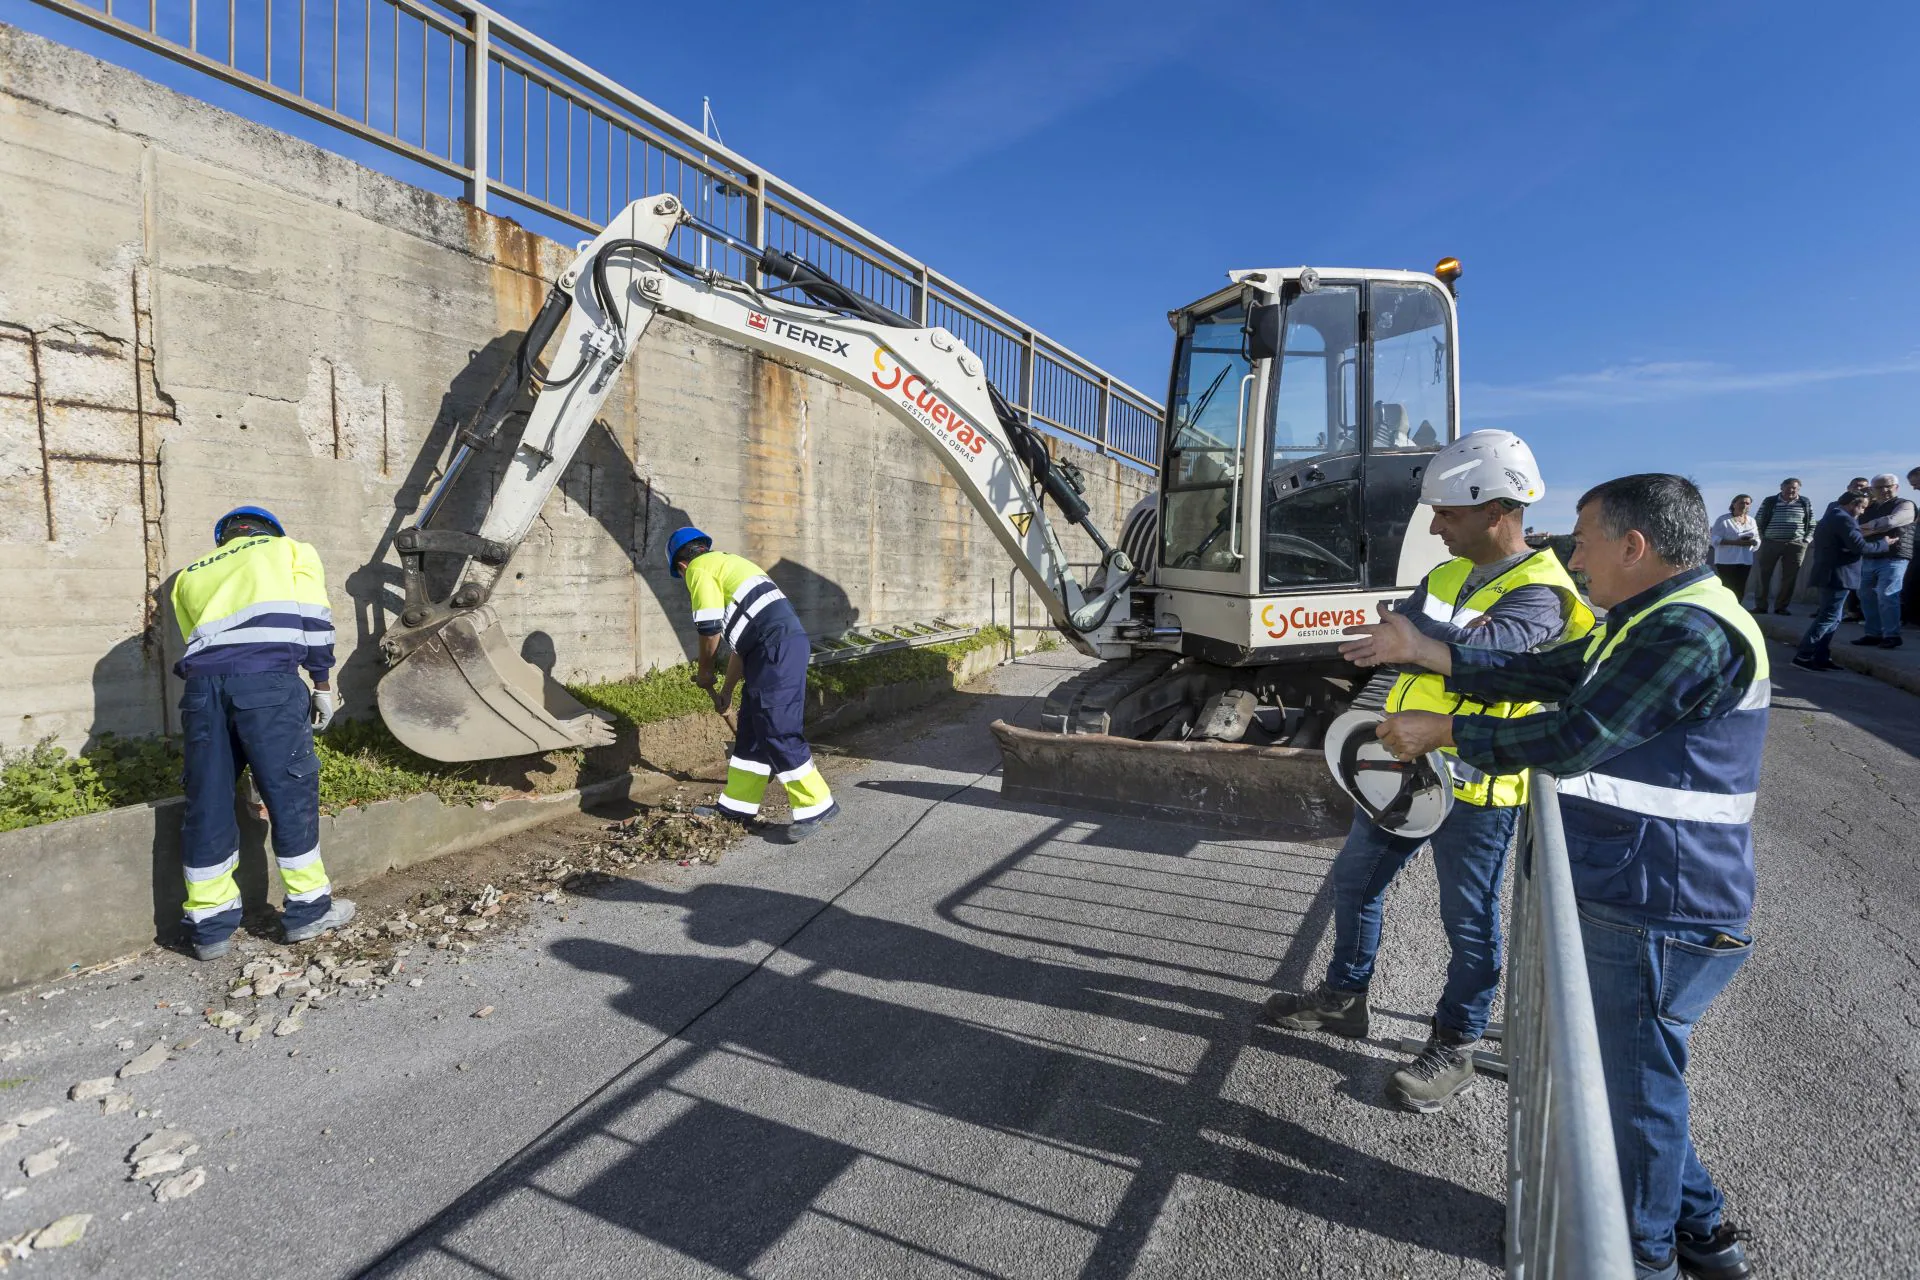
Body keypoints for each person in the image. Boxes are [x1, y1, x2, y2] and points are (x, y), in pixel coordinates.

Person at [1343, 473, 1762, 1280]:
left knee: (1628, 1100)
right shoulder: (1645, 620)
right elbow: (1547, 677)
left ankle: (1640, 1259)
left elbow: (1577, 737)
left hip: (1657, 897)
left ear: (1635, 546)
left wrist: (1446, 730)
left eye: (1586, 540)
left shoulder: (1686, 633)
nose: (1572, 554)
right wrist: (1452, 679)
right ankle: (1704, 1232)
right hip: (1641, 883)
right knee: (1635, 1085)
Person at [1263, 430, 1593, 1112]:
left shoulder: (1543, 592)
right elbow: (1397, 643)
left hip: (1476, 787)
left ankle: (1456, 1042)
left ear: (1497, 512)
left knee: (1467, 922)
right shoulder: (1444, 576)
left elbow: (1499, 672)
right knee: (1354, 883)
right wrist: (1384, 668)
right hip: (1402, 769)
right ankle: (1344, 998)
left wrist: (1416, 644)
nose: (1435, 526)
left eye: (1448, 513)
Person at [167, 506, 353, 961]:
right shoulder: (290, 551)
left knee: (207, 800)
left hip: (203, 691)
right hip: (267, 683)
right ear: (267, 530)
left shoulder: (188, 576)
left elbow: (197, 638)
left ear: (224, 539)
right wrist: (322, 684)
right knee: (289, 793)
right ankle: (308, 911)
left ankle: (209, 928)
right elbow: (314, 619)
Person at [668, 527, 839, 839]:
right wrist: (727, 691)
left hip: (775, 649)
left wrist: (705, 671)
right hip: (769, 648)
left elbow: (708, 628)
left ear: (682, 567)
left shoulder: (699, 570)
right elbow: (740, 649)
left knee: (776, 726)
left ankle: (818, 804)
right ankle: (737, 807)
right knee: (751, 731)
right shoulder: (730, 567)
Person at [1794, 492, 1889, 671]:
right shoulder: (1844, 519)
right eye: (1861, 507)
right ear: (1852, 504)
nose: (1861, 512)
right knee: (1828, 617)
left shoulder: (1830, 517)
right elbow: (1859, 546)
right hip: (1838, 574)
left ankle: (1820, 656)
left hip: (1830, 573)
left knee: (1833, 618)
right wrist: (1883, 544)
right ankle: (1804, 655)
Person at [1856, 473, 1914, 648]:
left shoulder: (1905, 505)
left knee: (1887, 595)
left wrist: (1862, 529)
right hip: (1869, 555)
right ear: (1873, 490)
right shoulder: (1870, 507)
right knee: (1865, 595)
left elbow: (1890, 523)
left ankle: (1892, 635)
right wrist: (1868, 529)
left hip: (1894, 556)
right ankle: (1872, 633)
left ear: (1896, 487)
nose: (1884, 490)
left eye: (1888, 486)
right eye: (1879, 487)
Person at [1750, 478, 1813, 615]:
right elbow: (1758, 520)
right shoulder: (1770, 501)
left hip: (1796, 544)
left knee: (1790, 578)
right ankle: (1761, 606)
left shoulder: (1804, 502)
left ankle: (1781, 607)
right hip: (1770, 542)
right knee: (1763, 575)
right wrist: (1761, 538)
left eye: (1794, 488)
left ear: (1798, 489)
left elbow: (1812, 524)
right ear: (1781, 488)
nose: (1791, 490)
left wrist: (1806, 540)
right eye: (1788, 488)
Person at [1709, 495, 1759, 601]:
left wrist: (1753, 542)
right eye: (1741, 502)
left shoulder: (1751, 521)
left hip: (1745, 560)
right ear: (1734, 504)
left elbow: (1757, 538)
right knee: (1728, 588)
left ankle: (1737, 610)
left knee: (1740, 588)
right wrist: (1736, 542)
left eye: (1747, 503)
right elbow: (1714, 539)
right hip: (1726, 560)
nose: (1744, 505)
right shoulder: (1723, 520)